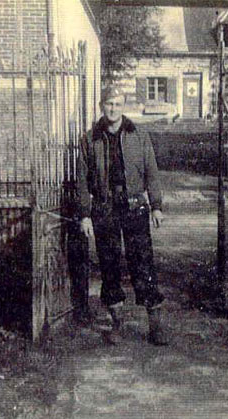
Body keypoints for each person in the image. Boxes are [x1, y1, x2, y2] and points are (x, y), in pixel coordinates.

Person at [75, 85, 169, 345]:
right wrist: (84, 214)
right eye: (108, 104)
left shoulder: (138, 134)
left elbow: (151, 172)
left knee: (143, 263)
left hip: (135, 207)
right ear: (101, 106)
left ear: (124, 105)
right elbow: (82, 181)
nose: (113, 108)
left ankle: (155, 324)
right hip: (105, 209)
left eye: (117, 104)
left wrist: (157, 206)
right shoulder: (89, 139)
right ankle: (117, 323)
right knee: (110, 265)